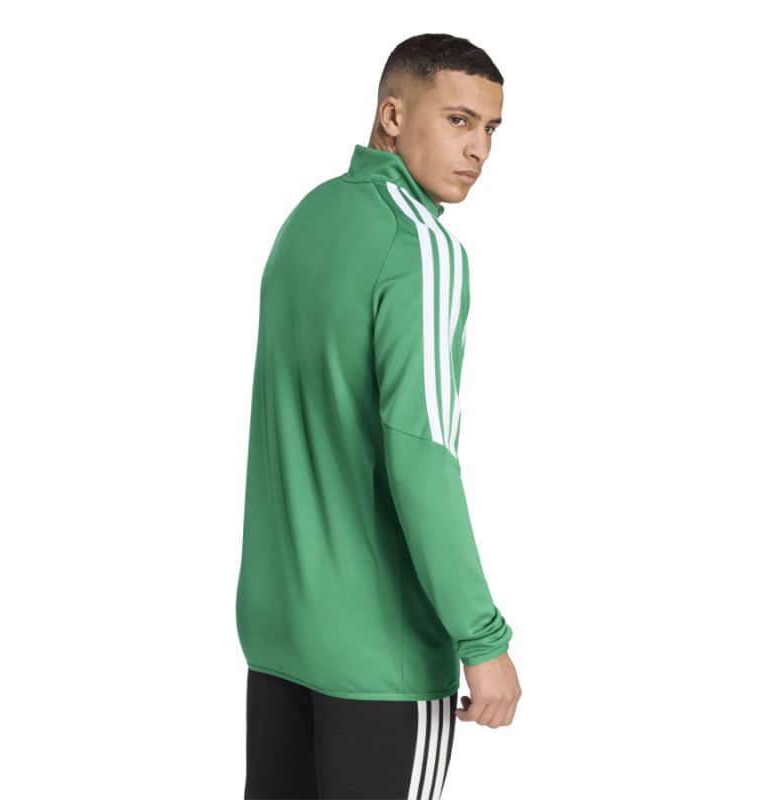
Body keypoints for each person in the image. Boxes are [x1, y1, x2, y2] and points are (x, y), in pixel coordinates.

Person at [236, 32, 522, 799]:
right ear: (393, 116)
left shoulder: (308, 219)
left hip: (279, 634)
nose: (479, 150)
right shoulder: (420, 245)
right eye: (458, 120)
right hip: (378, 657)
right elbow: (420, 456)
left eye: (491, 129)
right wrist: (482, 638)